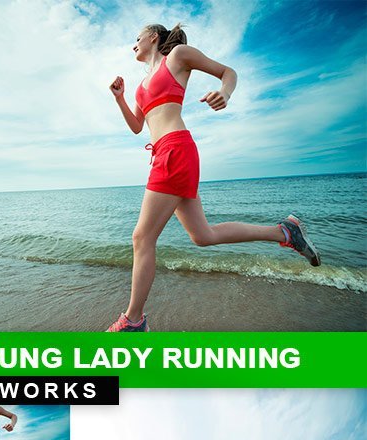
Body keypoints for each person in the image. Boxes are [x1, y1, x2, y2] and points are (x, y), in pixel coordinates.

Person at [108, 22, 320, 331]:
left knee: (142, 237)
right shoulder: (141, 86)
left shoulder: (177, 57)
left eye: (136, 38)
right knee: (202, 236)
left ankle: (133, 321)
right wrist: (120, 99)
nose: (133, 45)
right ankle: (284, 232)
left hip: (176, 151)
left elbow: (228, 72)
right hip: (163, 154)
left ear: (153, 37)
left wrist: (225, 92)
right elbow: (138, 126)